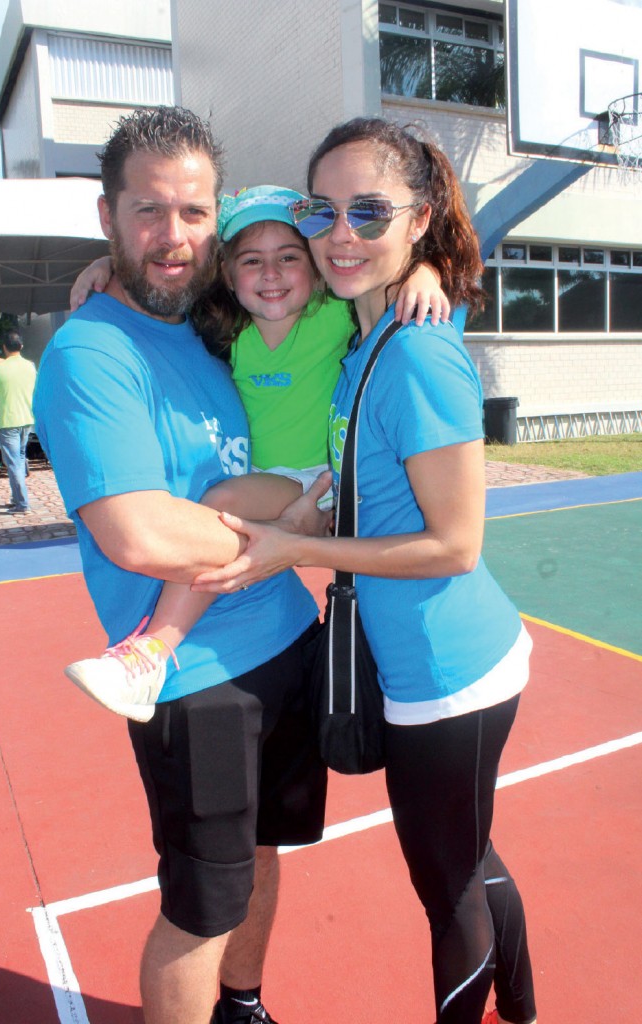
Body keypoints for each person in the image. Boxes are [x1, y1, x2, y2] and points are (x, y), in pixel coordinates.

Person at [190, 118, 537, 1024]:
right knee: (471, 850)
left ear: (418, 218)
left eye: (370, 211)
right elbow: (233, 263)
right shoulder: (364, 327)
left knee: (448, 886)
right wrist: (110, 269)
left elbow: (456, 545)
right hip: (426, 656)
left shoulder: (416, 351)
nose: (341, 233)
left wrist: (296, 548)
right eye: (325, 210)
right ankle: (527, 1005)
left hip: (446, 673)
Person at [33, 105, 350, 1024]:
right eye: (147, 213)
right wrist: (295, 536)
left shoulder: (216, 329)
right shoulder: (92, 351)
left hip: (286, 636)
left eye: (192, 213)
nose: (172, 238)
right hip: (195, 680)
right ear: (107, 216)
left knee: (263, 855)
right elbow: (137, 533)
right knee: (199, 907)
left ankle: (242, 1006)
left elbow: (335, 277)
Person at [62, 185, 449, 721]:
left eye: (289, 258)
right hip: (271, 476)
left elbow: (389, 269)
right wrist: (106, 264)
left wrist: (424, 274)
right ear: (226, 274)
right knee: (223, 515)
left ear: (314, 268)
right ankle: (154, 653)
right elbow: (161, 278)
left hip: (317, 479)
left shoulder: (333, 316)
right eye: (251, 261)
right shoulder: (224, 331)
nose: (271, 275)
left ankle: (152, 650)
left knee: (219, 501)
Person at [0, 330, 36, 512]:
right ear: (21, 346)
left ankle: (22, 503)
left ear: (4, 348)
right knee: (18, 459)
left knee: (13, 464)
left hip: (7, 420)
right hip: (27, 420)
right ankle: (16, 497)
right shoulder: (30, 366)